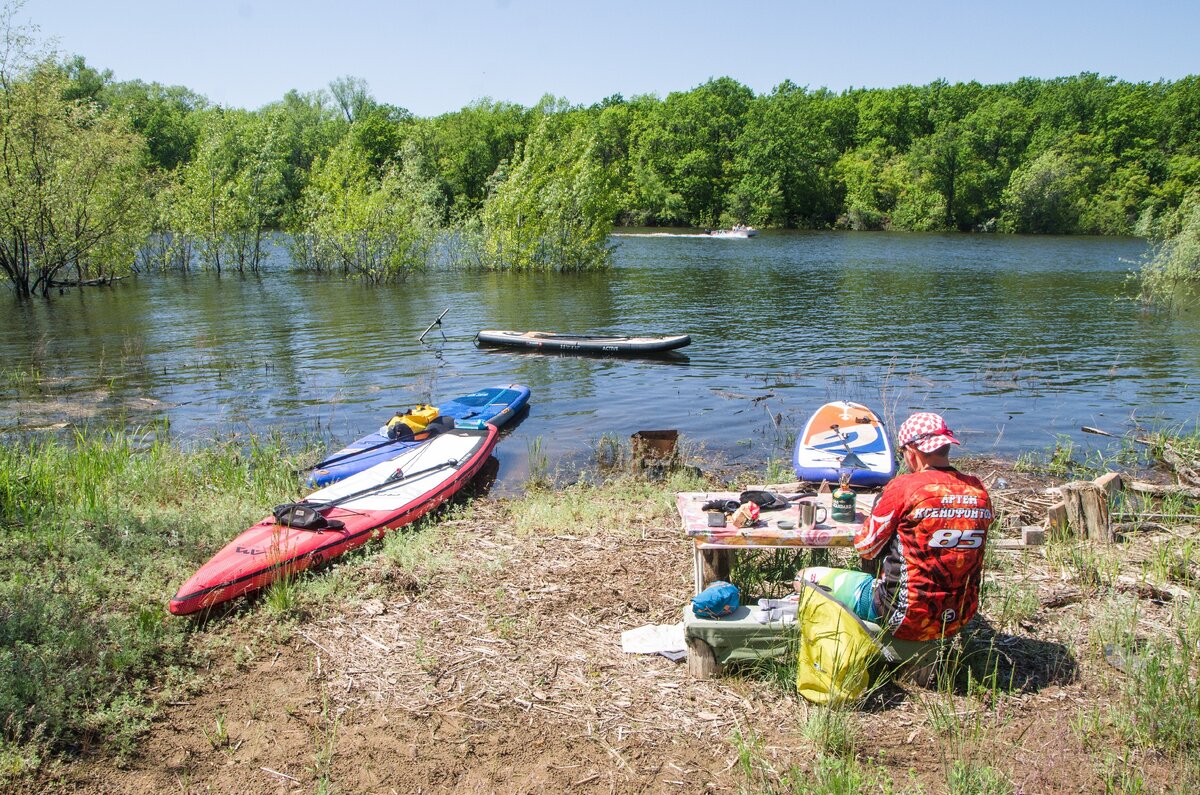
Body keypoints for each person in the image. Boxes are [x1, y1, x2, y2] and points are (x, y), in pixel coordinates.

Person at [794, 412, 993, 642]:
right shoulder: (978, 491)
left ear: (912, 452)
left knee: (804, 578)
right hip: (960, 617)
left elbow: (865, 548)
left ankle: (846, 642)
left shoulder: (905, 487)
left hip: (905, 616)